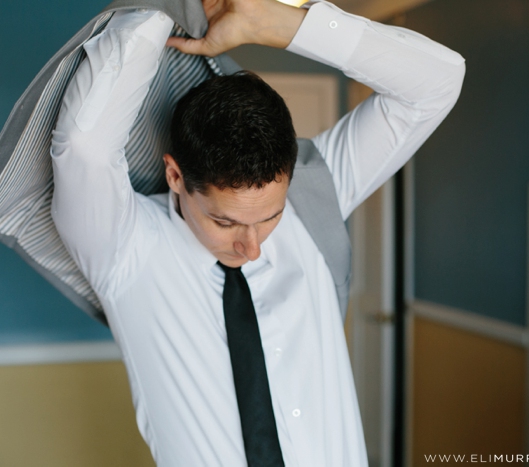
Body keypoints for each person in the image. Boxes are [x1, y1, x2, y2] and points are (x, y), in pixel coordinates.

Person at [50, 0, 465, 465]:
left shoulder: (317, 196)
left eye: (270, 216)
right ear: (175, 177)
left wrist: (276, 23)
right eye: (224, 222)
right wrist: (168, 6)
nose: (251, 247)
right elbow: (83, 145)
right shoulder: (122, 246)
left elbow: (437, 83)